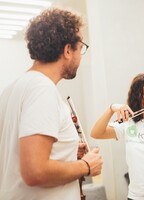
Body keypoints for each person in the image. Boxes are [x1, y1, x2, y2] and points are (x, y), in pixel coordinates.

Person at [0, 8, 102, 200]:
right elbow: (35, 171)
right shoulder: (42, 90)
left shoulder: (12, 89)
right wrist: (86, 166)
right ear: (67, 50)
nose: (81, 54)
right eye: (81, 47)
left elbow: (18, 156)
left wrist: (67, 152)